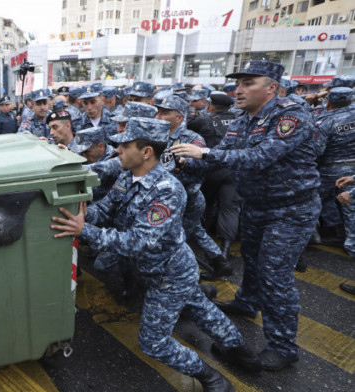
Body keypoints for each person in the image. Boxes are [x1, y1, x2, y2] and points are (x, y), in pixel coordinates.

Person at [51, 117, 258, 392]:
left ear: (146, 152)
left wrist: (84, 231)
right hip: (160, 269)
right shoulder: (128, 174)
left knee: (154, 343)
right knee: (201, 309)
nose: (118, 151)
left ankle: (211, 377)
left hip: (170, 274)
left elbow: (135, 242)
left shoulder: (167, 192)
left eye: (124, 146)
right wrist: (85, 214)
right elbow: (108, 209)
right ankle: (240, 352)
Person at [172, 60, 320, 371]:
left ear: (272, 88)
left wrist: (205, 153)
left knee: (275, 276)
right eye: (237, 83)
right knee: (252, 260)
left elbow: (259, 158)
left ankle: (283, 347)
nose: (238, 89)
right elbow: (220, 160)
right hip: (255, 205)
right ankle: (247, 303)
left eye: (248, 83)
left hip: (290, 210)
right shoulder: (242, 120)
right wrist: (183, 163)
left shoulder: (291, 116)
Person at [154, 96, 231, 280]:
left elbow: (198, 162)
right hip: (168, 197)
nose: (158, 116)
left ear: (179, 118)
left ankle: (182, 278)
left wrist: (184, 162)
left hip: (188, 197)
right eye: (159, 112)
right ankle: (221, 263)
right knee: (195, 231)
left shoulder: (191, 139)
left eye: (165, 113)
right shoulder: (158, 135)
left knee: (178, 238)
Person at [201, 93, 241, 259]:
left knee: (205, 203)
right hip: (234, 169)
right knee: (229, 208)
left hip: (211, 170)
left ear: (211, 105)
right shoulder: (240, 120)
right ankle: (225, 248)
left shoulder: (206, 120)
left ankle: (202, 239)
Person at [314, 87, 355, 245]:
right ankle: (348, 238)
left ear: (329, 102)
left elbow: (317, 149)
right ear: (350, 100)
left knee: (317, 198)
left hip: (330, 168)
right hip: (353, 170)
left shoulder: (326, 121)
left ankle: (334, 229)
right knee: (349, 204)